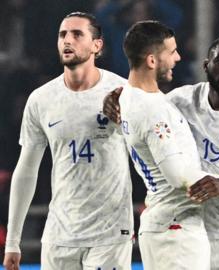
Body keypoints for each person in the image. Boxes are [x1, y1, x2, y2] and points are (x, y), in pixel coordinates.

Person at [104, 35, 219, 270]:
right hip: (198, 232)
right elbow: (144, 106)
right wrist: (116, 98)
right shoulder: (181, 100)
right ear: (206, 66)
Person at [3, 12, 133, 270]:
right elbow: (27, 170)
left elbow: (149, 149)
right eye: (63, 34)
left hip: (110, 234)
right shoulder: (41, 99)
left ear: (97, 45)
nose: (67, 40)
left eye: (77, 34)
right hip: (59, 235)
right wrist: (12, 241)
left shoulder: (122, 92)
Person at [119, 20, 219, 270]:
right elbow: (177, 176)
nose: (178, 57)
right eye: (172, 51)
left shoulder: (126, 97)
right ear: (152, 61)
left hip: (163, 225)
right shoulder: (153, 109)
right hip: (176, 229)